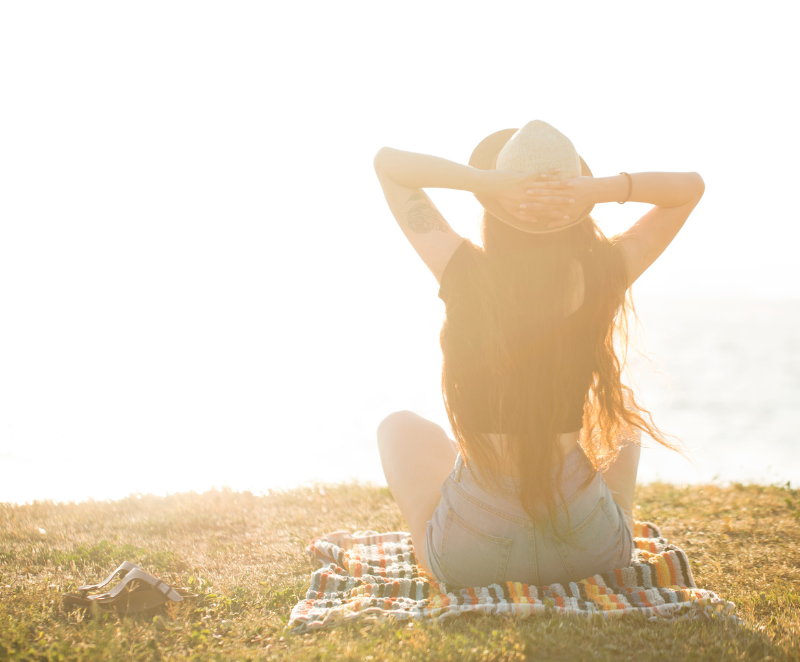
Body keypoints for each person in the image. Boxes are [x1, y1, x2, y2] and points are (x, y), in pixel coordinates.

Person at [373, 120, 704, 589]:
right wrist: (597, 189)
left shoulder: (461, 268)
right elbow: (690, 189)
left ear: (494, 207)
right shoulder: (605, 271)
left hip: (474, 552)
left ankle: (436, 546)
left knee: (399, 427)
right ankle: (618, 525)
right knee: (622, 426)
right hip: (589, 552)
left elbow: (389, 164)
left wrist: (487, 182)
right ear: (578, 209)